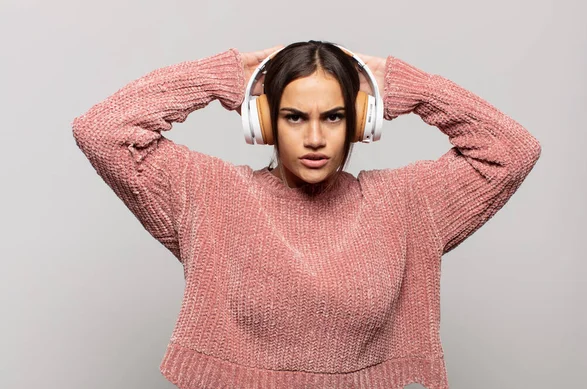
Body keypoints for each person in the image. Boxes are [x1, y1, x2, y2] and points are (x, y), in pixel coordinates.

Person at [71, 40, 542, 389]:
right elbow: (101, 131)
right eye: (295, 117)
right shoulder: (210, 194)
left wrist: (402, 86)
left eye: (333, 117)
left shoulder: (406, 202)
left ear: (361, 123)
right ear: (263, 122)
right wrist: (227, 75)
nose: (315, 138)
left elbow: (512, 150)